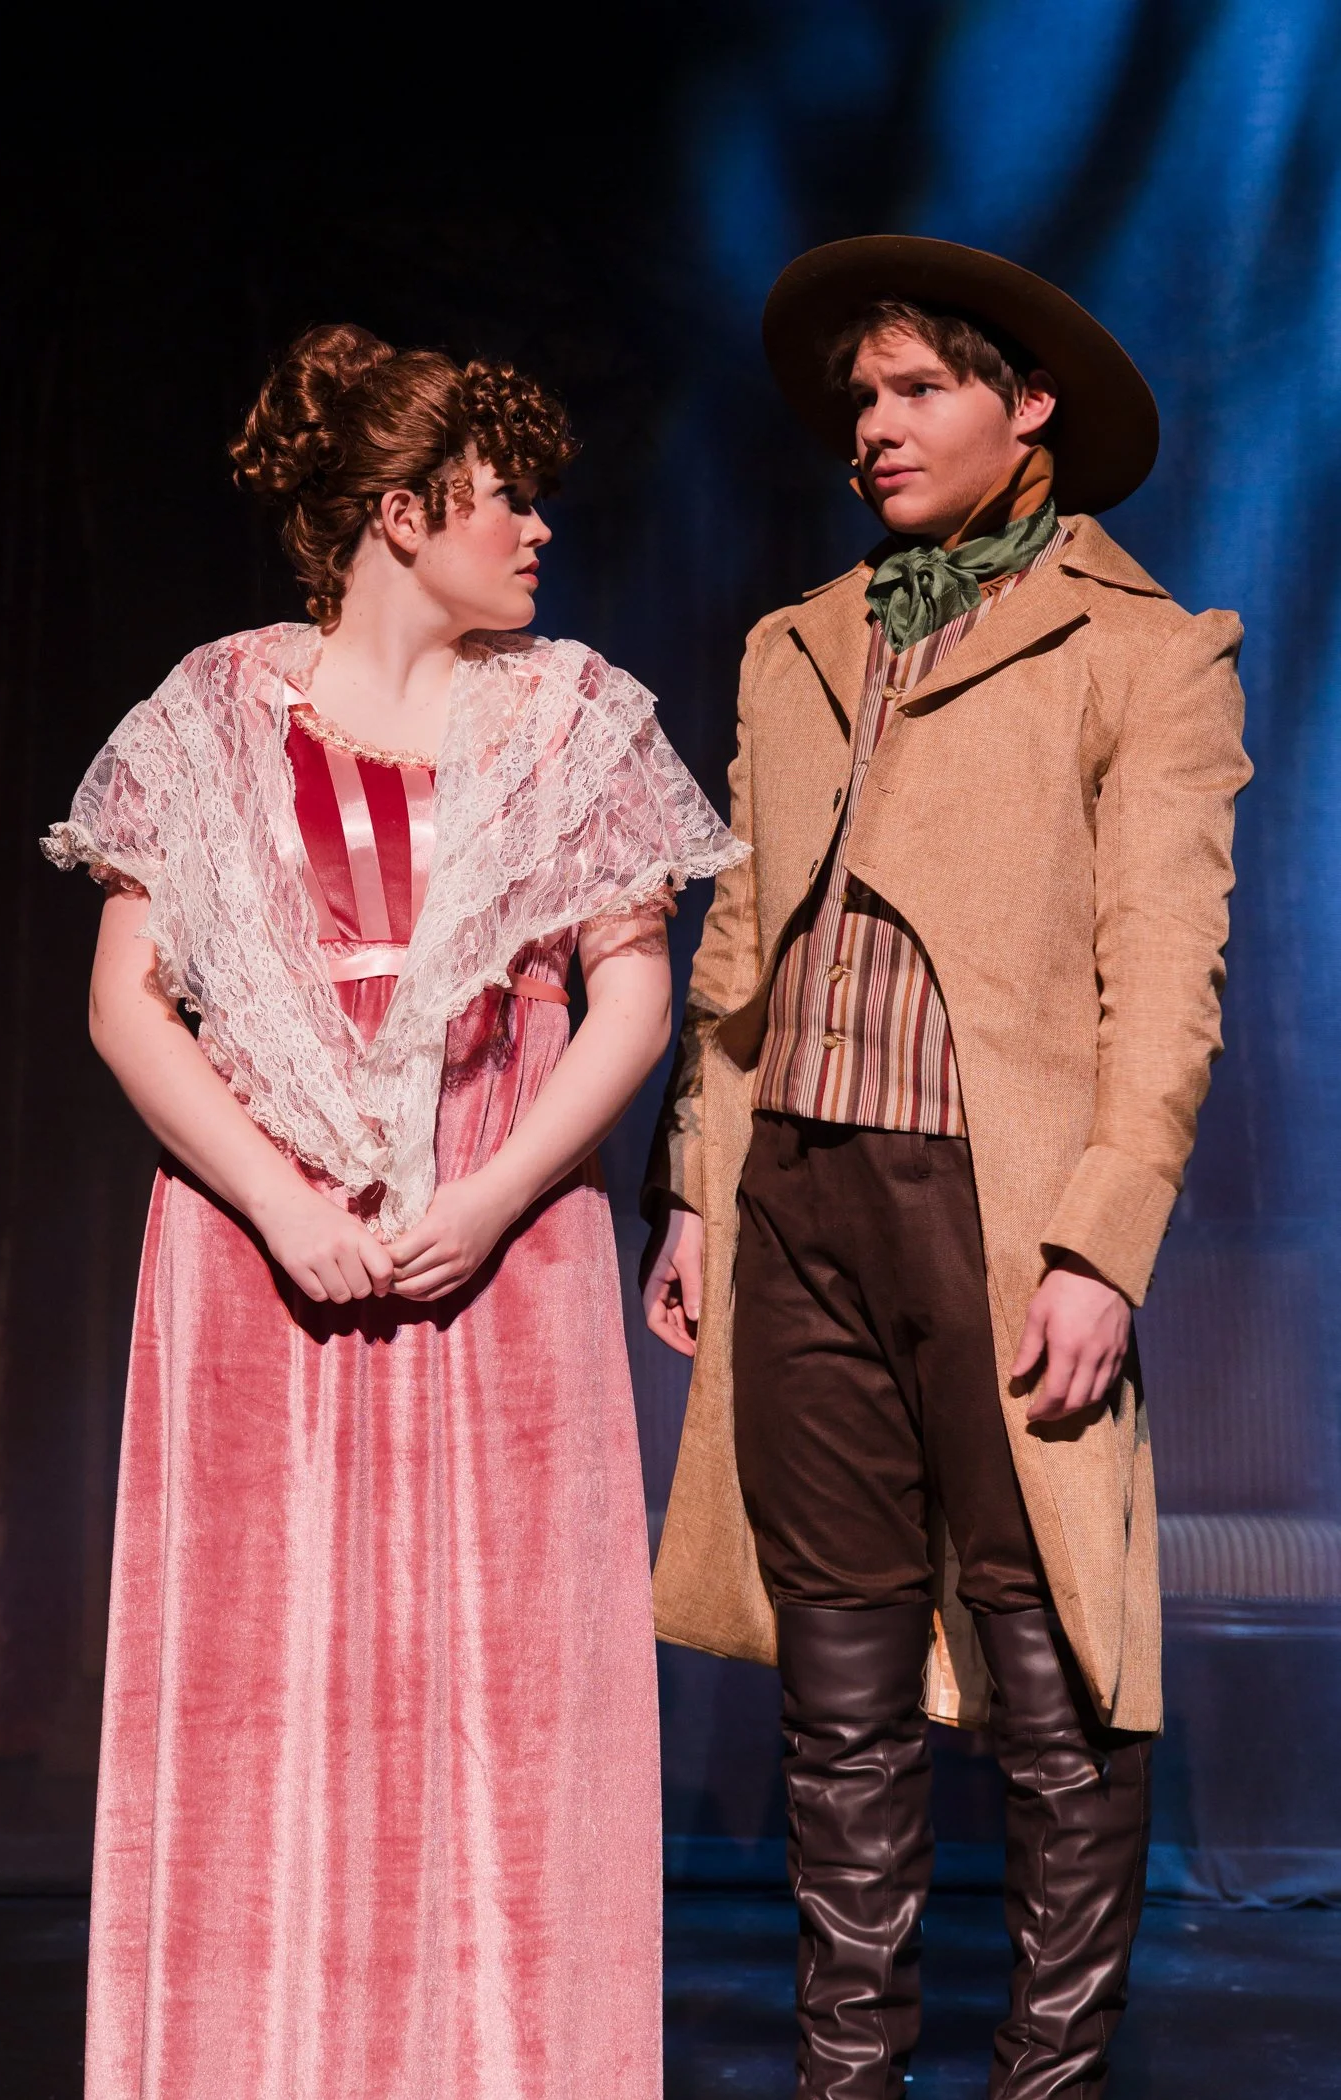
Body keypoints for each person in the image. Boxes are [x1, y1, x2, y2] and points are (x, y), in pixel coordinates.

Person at [44, 323, 743, 2100]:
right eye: (503, 501)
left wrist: (498, 1195)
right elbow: (134, 1000)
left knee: (504, 1695)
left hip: (501, 1244)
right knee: (257, 1696)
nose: (537, 534)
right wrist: (284, 1208)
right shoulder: (211, 712)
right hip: (255, 1249)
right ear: (394, 513)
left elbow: (632, 998)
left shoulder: (575, 714)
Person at [641, 237, 1250, 2098]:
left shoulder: (1143, 651)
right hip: (795, 1205)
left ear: (1027, 409)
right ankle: (849, 2072)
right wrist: (691, 1180)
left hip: (998, 1219)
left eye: (916, 391)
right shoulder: (796, 645)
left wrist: (1104, 1241)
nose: (871, 425)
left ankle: (1050, 2078)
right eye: (861, 396)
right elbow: (737, 942)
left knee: (1052, 1678)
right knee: (837, 1692)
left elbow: (1167, 973)